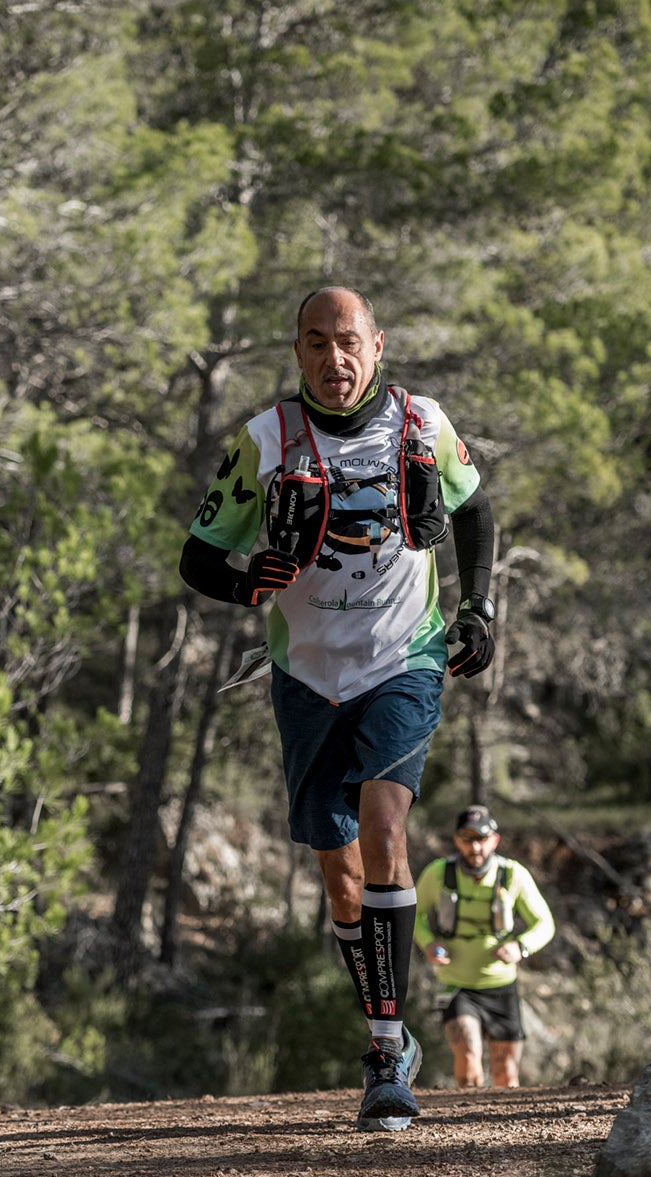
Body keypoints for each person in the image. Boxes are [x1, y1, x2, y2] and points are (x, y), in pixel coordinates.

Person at [178, 286, 498, 1132]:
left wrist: (481, 609)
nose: (334, 358)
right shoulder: (266, 440)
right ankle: (384, 1024)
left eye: (347, 340)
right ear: (297, 351)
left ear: (377, 344)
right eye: (315, 343)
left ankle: (386, 1055)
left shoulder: (421, 424)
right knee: (340, 872)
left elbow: (476, 509)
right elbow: (200, 556)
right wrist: (246, 579)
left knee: (386, 828)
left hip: (404, 659)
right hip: (307, 675)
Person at [415, 805, 555, 1088]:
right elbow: (413, 916)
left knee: (506, 1073)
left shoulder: (513, 874)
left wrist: (520, 946)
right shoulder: (439, 874)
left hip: (501, 985)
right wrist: (429, 944)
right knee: (468, 1061)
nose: (475, 846)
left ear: (494, 840)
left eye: (481, 838)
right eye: (467, 839)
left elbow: (544, 923)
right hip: (456, 985)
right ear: (456, 840)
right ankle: (469, 1127)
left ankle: (508, 1129)